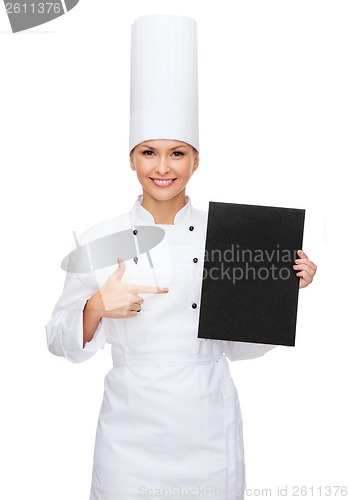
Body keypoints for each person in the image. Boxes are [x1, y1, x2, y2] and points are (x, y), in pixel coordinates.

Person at [45, 14, 317, 500]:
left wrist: (281, 289)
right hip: (130, 432)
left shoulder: (232, 233)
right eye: (149, 153)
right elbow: (59, 342)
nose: (163, 167)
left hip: (207, 423)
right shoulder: (102, 236)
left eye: (177, 153)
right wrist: (95, 307)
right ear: (131, 159)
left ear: (196, 159)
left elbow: (242, 347)